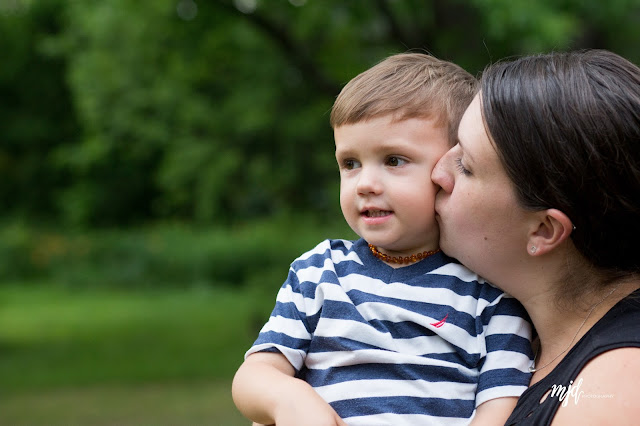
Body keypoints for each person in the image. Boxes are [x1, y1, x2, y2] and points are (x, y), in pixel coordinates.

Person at [232, 53, 533, 426]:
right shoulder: (320, 272)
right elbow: (254, 374)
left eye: (393, 160)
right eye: (350, 163)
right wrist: (289, 398)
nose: (366, 184)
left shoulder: (488, 293)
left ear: (451, 167)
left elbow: (500, 408)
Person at [431, 49, 640, 425]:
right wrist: (285, 385)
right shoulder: (505, 327)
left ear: (544, 230)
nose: (436, 172)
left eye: (465, 165)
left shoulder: (611, 392)